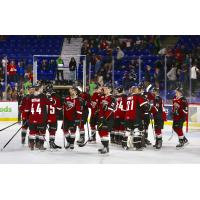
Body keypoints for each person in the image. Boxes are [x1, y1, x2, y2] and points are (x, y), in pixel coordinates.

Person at [25, 84, 53, 150]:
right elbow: (49, 103)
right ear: (40, 89)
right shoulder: (43, 96)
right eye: (42, 88)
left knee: (32, 132)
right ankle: (41, 146)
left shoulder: (30, 97)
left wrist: (26, 117)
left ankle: (32, 146)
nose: (42, 89)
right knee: (42, 132)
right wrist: (50, 98)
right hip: (41, 118)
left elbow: (26, 109)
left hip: (32, 118)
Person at [123, 86, 150, 151]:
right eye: (138, 90)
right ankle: (137, 146)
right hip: (135, 117)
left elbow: (124, 108)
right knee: (137, 131)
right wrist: (148, 107)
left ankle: (124, 145)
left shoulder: (127, 97)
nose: (139, 91)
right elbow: (145, 107)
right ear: (135, 91)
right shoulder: (138, 97)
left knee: (127, 131)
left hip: (127, 117)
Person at [97, 84, 116, 154]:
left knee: (104, 131)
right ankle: (104, 146)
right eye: (104, 88)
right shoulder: (102, 97)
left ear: (110, 90)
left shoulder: (112, 98)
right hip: (101, 117)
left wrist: (104, 118)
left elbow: (111, 109)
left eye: (105, 88)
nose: (104, 90)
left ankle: (106, 147)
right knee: (100, 131)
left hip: (108, 118)